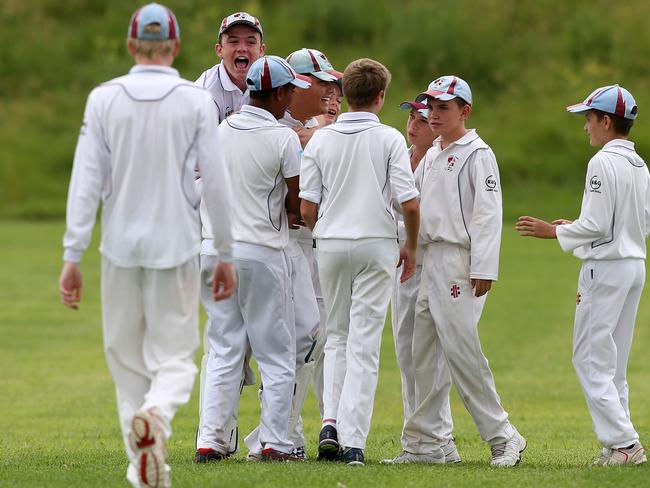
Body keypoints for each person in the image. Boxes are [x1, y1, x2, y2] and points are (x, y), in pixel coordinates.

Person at [58, 4, 235, 487]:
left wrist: (73, 255)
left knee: (126, 362)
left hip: (118, 250)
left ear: (132, 46)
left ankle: (143, 465)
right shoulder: (195, 101)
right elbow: (216, 183)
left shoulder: (103, 98)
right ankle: (154, 423)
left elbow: (85, 182)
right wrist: (224, 252)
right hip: (175, 245)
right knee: (176, 358)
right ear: (175, 47)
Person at [384, 75, 526, 467]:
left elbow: (488, 215)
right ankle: (425, 444)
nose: (433, 114)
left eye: (443, 107)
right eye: (431, 106)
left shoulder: (478, 154)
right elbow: (407, 206)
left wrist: (484, 266)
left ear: (464, 111)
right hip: (428, 260)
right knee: (423, 353)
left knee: (462, 353)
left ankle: (504, 437)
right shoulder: (432, 155)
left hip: (457, 264)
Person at [516, 84, 648, 466]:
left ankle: (624, 443)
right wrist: (581, 227)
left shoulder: (602, 162)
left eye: (589, 119)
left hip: (604, 270)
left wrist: (554, 230)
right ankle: (617, 447)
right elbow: (641, 222)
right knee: (613, 364)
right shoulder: (640, 164)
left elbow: (596, 223)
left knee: (590, 359)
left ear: (606, 121)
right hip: (633, 266)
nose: (586, 127)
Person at [300, 58, 420, 466]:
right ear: (381, 96)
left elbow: (307, 206)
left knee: (337, 337)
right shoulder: (388, 139)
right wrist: (412, 247)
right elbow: (410, 203)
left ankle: (329, 421)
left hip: (331, 242)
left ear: (344, 94)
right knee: (365, 343)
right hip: (375, 243)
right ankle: (352, 441)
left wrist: (323, 234)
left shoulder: (320, 140)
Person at [195, 56, 310, 463]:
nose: (293, 97)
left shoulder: (221, 130)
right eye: (291, 91)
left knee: (224, 349)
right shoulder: (283, 138)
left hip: (214, 250)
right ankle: (277, 443)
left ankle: (210, 440)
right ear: (278, 93)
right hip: (262, 253)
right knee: (276, 354)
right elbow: (296, 206)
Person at [244, 47, 342, 460]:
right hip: (284, 246)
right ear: (297, 85)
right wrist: (321, 128)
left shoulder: (314, 125)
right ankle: (275, 434)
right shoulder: (284, 124)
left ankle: (296, 430)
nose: (330, 92)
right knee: (297, 341)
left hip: (318, 247)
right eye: (322, 83)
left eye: (333, 85)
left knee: (314, 341)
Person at [194, 11, 265, 457]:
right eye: (233, 41)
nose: (242, 48)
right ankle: (215, 435)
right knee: (227, 336)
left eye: (250, 41)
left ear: (262, 48)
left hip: (262, 226)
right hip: (216, 225)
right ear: (219, 48)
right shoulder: (202, 93)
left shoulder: (274, 82)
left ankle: (232, 436)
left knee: (254, 338)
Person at [385, 99, 462, 463]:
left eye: (422, 118)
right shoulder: (398, 156)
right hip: (399, 262)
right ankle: (427, 438)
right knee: (406, 351)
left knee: (429, 353)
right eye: (411, 117)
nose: (414, 125)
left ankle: (434, 438)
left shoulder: (439, 162)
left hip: (428, 260)